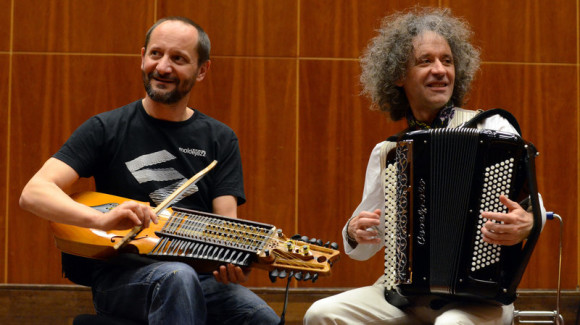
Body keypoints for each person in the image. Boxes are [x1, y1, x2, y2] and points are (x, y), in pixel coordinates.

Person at [20, 16, 280, 324]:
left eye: (179, 59)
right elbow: (34, 193)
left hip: (200, 278)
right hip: (122, 278)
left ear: (202, 70)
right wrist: (100, 219)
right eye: (156, 54)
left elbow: (226, 225)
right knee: (177, 277)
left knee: (260, 317)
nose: (163, 67)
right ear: (143, 56)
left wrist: (233, 260)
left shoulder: (220, 139)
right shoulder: (107, 128)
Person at [303, 7, 546, 325]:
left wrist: (525, 222)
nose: (440, 70)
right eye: (425, 61)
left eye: (447, 60)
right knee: (321, 314)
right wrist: (354, 231)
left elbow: (534, 206)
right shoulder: (390, 151)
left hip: (479, 298)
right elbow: (363, 247)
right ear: (398, 76)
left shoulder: (493, 128)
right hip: (405, 296)